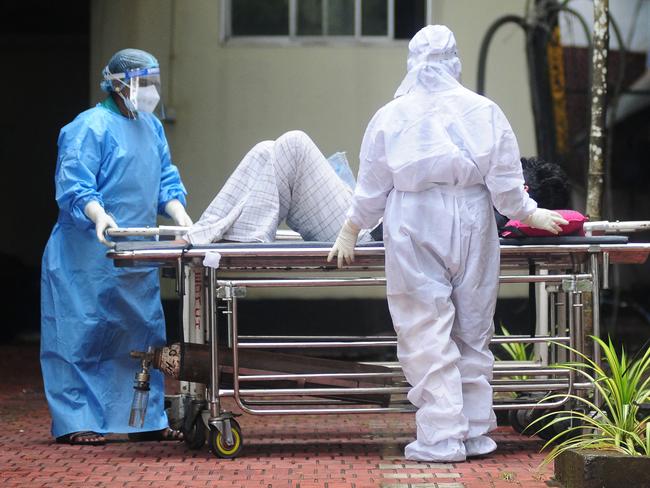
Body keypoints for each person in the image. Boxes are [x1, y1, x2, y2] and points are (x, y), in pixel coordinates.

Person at [327, 25, 568, 462]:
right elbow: (506, 181)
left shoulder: (391, 115)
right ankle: (475, 432)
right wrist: (528, 213)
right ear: (454, 60)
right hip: (475, 216)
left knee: (425, 328)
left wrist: (352, 228)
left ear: (413, 61)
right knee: (473, 329)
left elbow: (372, 185)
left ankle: (441, 439)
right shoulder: (484, 110)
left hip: (414, 218)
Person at [41, 49, 192, 445]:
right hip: (84, 256)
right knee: (80, 335)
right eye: (144, 83)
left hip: (135, 256)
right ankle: (77, 421)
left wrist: (180, 215)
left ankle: (144, 421)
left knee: (140, 337)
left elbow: (165, 180)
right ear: (119, 83)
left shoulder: (151, 127)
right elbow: (75, 182)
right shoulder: (87, 127)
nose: (150, 92)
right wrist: (97, 214)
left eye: (153, 82)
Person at [186, 130, 375, 245]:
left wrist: (352, 227)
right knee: (266, 150)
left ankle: (225, 238)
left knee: (293, 145)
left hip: (367, 232)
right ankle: (205, 231)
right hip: (370, 221)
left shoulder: (399, 117)